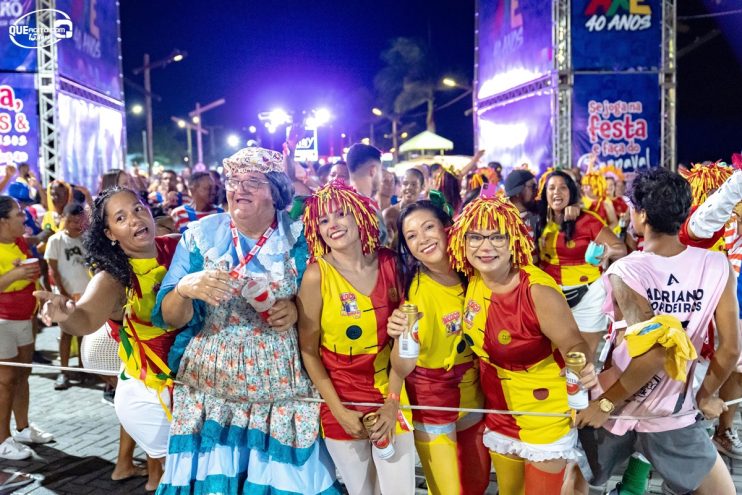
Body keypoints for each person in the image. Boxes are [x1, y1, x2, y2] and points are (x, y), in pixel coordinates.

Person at [153, 147, 339, 494]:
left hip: (281, 384)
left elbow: (329, 302)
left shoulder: (300, 237)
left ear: (276, 191)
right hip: (210, 384)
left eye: (253, 182)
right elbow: (169, 316)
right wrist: (185, 288)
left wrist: (297, 310)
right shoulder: (199, 236)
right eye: (234, 181)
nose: (240, 189)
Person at [576, 167, 739, 495]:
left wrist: (603, 404)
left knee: (575, 484)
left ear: (641, 214)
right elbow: (731, 349)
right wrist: (704, 395)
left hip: (614, 408)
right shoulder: (717, 265)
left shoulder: (626, 269)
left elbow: (652, 354)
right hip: (672, 410)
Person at [448, 192, 597, 495]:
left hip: (544, 416)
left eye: (496, 237)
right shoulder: (473, 278)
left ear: (513, 240)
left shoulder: (538, 291)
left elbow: (573, 343)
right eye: (475, 237)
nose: (485, 247)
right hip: (499, 411)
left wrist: (582, 366)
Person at [35, 187, 181, 490]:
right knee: (179, 477)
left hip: (190, 384)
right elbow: (86, 318)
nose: (135, 219)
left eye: (138, 208)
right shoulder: (114, 276)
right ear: (110, 233)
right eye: (121, 217)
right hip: (150, 392)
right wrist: (66, 314)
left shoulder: (180, 247)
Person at [297, 179, 415, 495]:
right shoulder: (315, 275)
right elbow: (308, 350)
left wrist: (392, 403)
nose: (333, 225)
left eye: (340, 214)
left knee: (399, 491)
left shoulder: (391, 262)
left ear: (359, 215)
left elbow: (403, 341)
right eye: (323, 220)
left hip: (391, 393)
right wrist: (338, 411)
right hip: (340, 403)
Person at [386, 199, 491, 494]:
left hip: (474, 396)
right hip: (433, 405)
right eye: (412, 236)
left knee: (477, 482)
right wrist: (402, 337)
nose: (423, 239)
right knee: (448, 491)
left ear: (447, 228)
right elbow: (403, 365)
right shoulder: (417, 296)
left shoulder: (475, 271)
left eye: (428, 227)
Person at [538, 170, 626, 355]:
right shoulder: (537, 220)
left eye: (563, 188)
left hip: (589, 295)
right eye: (551, 188)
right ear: (544, 192)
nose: (557, 192)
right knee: (556, 356)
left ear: (571, 192)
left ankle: (581, 385)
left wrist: (608, 252)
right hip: (551, 297)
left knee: (583, 356)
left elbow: (621, 248)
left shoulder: (588, 220)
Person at [0, 196, 54, 460]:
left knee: (23, 374)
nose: (24, 218)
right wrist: (14, 275)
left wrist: (44, 298)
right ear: (2, 222)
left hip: (25, 318)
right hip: (2, 321)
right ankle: (2, 439)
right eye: (18, 214)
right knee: (5, 380)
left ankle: (21, 428)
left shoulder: (20, 242)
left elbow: (34, 278)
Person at [44, 203, 91, 390]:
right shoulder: (56, 240)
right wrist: (63, 293)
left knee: (83, 333)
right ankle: (63, 372)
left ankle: (82, 367)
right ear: (64, 218)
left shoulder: (87, 240)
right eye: (70, 220)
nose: (74, 225)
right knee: (65, 334)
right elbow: (53, 270)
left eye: (78, 221)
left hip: (86, 293)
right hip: (64, 294)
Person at [382, 168, 425, 248]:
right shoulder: (389, 213)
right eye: (405, 183)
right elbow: (387, 246)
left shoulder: (425, 214)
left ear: (422, 188)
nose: (408, 187)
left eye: (414, 184)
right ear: (401, 186)